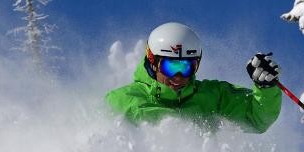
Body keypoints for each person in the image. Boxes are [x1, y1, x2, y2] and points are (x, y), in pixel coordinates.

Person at [105, 22, 282, 133]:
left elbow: (256, 119)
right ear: (152, 62)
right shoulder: (123, 99)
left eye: (187, 67)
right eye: (170, 66)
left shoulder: (213, 97)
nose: (179, 76)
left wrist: (265, 88)